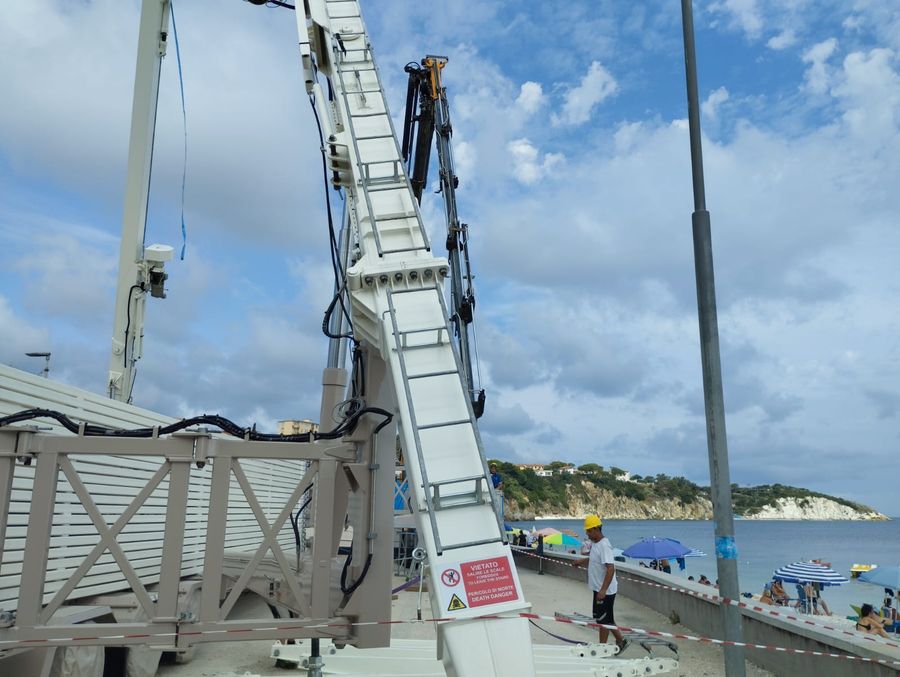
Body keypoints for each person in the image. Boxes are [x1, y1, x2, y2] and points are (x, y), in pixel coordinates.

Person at [576, 514, 629, 654]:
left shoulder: (605, 545)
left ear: (595, 529)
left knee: (603, 621)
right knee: (606, 618)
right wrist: (580, 561)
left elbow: (611, 568)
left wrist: (603, 590)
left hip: (605, 591)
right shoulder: (595, 544)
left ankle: (602, 649)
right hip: (598, 589)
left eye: (588, 531)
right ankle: (621, 641)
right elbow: (593, 559)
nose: (587, 533)